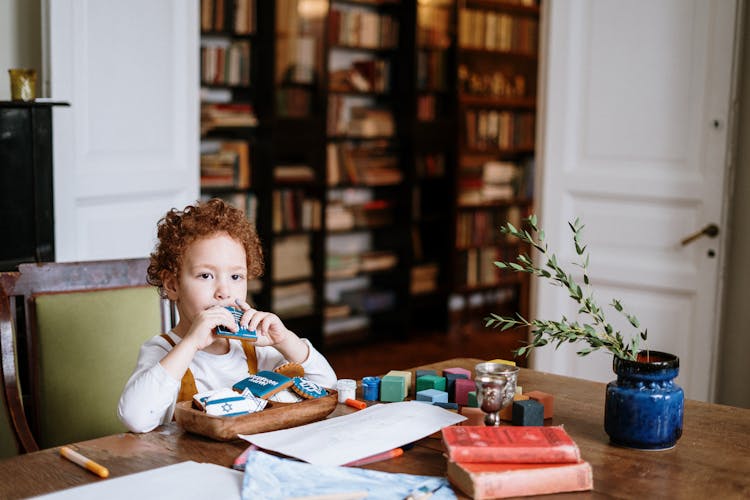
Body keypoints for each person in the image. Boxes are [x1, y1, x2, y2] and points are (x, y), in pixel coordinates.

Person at [118, 199, 337, 433]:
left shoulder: (256, 348)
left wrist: (286, 341)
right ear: (173, 285)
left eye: (235, 277)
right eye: (205, 276)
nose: (223, 292)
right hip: (192, 463)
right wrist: (191, 344)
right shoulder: (163, 351)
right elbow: (135, 418)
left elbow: (326, 385)